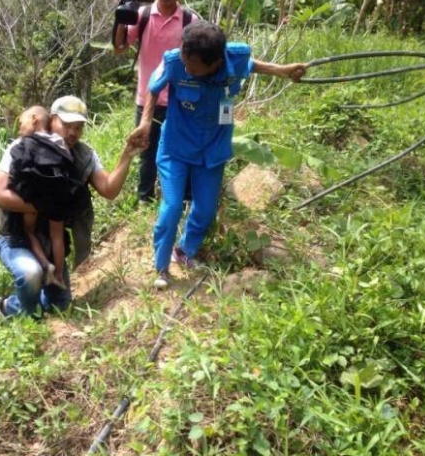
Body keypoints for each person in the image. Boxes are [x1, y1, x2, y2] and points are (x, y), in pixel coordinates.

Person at [128, 21, 307, 289]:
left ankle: (185, 250)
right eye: (186, 61)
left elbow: (252, 65)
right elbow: (154, 89)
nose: (187, 68)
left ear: (214, 63)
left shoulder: (235, 56)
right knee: (172, 206)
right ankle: (162, 266)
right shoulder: (175, 60)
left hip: (213, 148)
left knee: (206, 207)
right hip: (175, 147)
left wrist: (283, 71)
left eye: (194, 68)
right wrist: (145, 122)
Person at [0, 95, 144, 318]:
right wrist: (46, 206)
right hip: (13, 235)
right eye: (66, 125)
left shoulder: (83, 155)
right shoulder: (23, 146)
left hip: (51, 238)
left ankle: (19, 305)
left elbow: (109, 190)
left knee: (59, 305)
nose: (72, 133)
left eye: (79, 127)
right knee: (31, 273)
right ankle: (15, 307)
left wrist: (127, 155)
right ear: (52, 120)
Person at [113, 0, 196, 203]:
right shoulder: (143, 15)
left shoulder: (189, 21)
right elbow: (119, 47)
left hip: (179, 100)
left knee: (181, 150)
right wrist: (122, 17)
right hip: (146, 98)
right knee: (145, 152)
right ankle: (145, 198)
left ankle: (183, 198)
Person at [7, 106, 90, 290]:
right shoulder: (60, 143)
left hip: (33, 197)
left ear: (35, 119)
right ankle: (59, 274)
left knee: (29, 232)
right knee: (57, 237)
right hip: (58, 197)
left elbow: (19, 166)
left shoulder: (26, 142)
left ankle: (46, 264)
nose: (20, 127)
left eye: (23, 122)